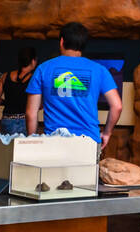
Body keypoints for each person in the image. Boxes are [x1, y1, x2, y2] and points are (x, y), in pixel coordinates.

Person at [25, 22, 122, 151]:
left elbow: (30, 113)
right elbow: (117, 106)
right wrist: (107, 133)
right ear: (83, 45)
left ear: (61, 41)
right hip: (88, 141)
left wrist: (33, 141)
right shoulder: (100, 70)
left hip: (54, 141)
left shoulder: (43, 68)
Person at [0, 46, 38, 136]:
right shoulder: (34, 78)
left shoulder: (5, 76)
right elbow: (39, 105)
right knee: (24, 149)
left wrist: (8, 103)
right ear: (33, 61)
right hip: (25, 121)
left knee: (7, 149)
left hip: (7, 120)